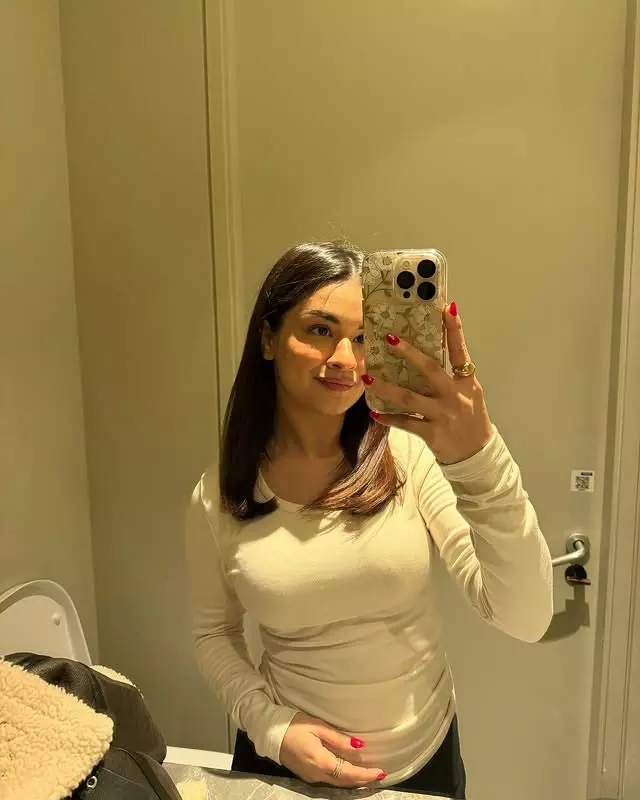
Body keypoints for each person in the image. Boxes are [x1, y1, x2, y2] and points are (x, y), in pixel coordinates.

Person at [185, 241, 553, 799]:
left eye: (363, 338)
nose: (344, 358)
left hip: (423, 761)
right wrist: (271, 727)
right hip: (286, 765)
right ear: (268, 338)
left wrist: (480, 459)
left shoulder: (408, 454)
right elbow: (214, 634)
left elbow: (525, 617)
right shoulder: (218, 495)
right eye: (319, 330)